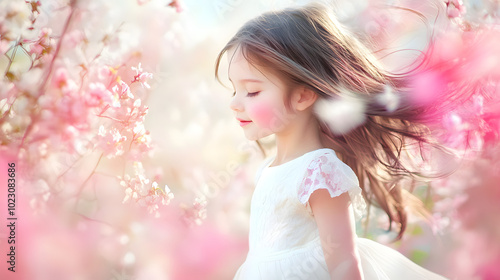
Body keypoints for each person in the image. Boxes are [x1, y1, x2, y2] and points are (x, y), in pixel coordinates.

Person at [215, 2, 449, 279]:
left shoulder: (318, 173)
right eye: (234, 90)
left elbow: (344, 265)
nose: (234, 104)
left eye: (252, 91)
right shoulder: (267, 168)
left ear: (302, 96)